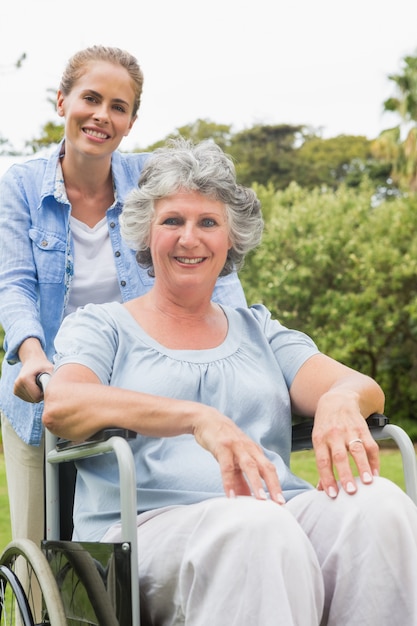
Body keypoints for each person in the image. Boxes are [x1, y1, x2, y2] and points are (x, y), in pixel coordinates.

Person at [43, 138, 417, 626]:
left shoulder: (257, 329)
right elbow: (63, 404)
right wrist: (196, 419)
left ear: (231, 238)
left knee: (380, 506)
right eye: (172, 220)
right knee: (258, 527)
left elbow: (359, 385)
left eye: (208, 222)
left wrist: (342, 399)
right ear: (145, 233)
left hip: (275, 508)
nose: (189, 238)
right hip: (145, 528)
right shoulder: (103, 325)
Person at [0, 47, 246, 549]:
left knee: (154, 526)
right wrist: (32, 356)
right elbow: (15, 284)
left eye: (118, 106)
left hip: (140, 374)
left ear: (131, 121)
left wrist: (242, 344)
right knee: (40, 545)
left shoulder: (152, 179)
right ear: (61, 101)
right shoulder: (19, 186)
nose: (101, 116)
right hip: (46, 380)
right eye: (90, 99)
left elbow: (209, 263)